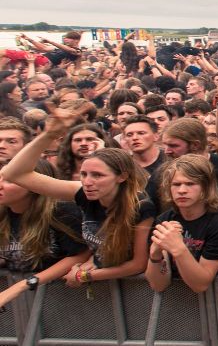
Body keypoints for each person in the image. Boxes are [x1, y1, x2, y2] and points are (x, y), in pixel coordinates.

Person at [3, 106, 155, 285]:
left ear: (121, 177)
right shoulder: (82, 192)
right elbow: (15, 174)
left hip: (130, 289)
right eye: (84, 174)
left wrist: (85, 276)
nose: (88, 182)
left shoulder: (140, 206)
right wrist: (48, 136)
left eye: (98, 175)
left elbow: (137, 264)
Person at [0, 160, 90, 310]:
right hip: (26, 307)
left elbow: (81, 254)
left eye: (9, 180)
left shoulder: (62, 212)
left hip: (71, 302)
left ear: (34, 184)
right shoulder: (4, 216)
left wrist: (25, 284)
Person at [146, 155, 218, 293]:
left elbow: (201, 284)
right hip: (179, 305)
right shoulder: (165, 219)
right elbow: (158, 285)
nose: (182, 190)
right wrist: (155, 254)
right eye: (176, 184)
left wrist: (178, 248)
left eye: (190, 184)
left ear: (206, 187)